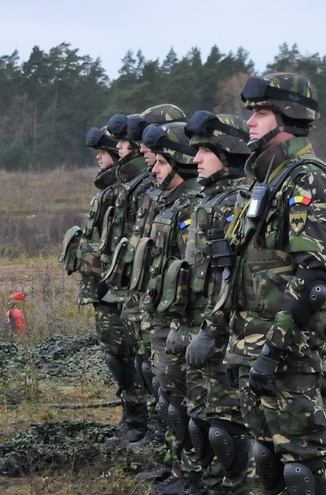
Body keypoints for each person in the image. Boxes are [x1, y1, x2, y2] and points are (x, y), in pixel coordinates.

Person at [217, 72, 326, 495]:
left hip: (284, 353)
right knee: (267, 460)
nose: (249, 122)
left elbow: (312, 280)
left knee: (301, 467)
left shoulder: (306, 181)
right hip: (251, 346)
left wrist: (273, 351)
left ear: (286, 120)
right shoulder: (264, 182)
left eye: (259, 115)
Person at [167, 110, 261, 495]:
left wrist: (209, 331)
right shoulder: (209, 202)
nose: (196, 158)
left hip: (224, 333)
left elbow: (232, 280)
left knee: (227, 429)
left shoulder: (236, 203)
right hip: (202, 329)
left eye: (205, 151)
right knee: (201, 421)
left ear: (226, 153)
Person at [133, 120, 206, 495]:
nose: (154, 170)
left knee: (185, 405)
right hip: (161, 315)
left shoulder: (193, 203)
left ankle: (195, 487)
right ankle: (182, 476)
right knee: (168, 398)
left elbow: (195, 273)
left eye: (160, 162)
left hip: (180, 322)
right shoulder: (169, 200)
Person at [101, 104, 185, 452]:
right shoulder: (149, 188)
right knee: (144, 367)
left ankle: (162, 440)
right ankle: (151, 430)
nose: (134, 148)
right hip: (142, 298)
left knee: (165, 380)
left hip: (166, 307)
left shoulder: (176, 194)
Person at [60, 126, 146, 443]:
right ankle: (132, 417)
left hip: (120, 289)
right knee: (117, 355)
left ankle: (140, 422)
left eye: (105, 152)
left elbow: (125, 247)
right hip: (105, 286)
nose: (98, 157)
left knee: (131, 357)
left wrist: (94, 263)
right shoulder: (110, 192)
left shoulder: (128, 192)